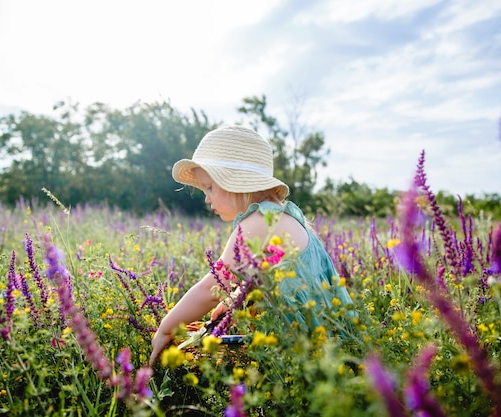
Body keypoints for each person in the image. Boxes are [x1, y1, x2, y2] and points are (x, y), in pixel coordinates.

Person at [149, 125, 354, 367]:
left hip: (306, 350)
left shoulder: (257, 223)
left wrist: (164, 329)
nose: (206, 197)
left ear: (235, 182)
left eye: (210, 187)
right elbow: (263, 276)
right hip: (334, 340)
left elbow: (211, 287)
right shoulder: (283, 216)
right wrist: (232, 301)